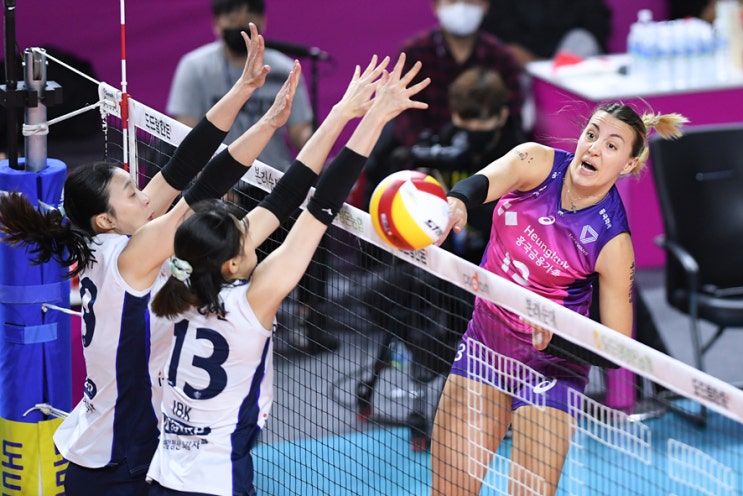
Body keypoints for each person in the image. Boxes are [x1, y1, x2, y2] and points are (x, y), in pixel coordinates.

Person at [0, 24, 301, 495]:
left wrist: (244, 90)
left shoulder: (106, 239)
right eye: (131, 192)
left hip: (108, 447)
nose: (144, 195)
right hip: (118, 459)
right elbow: (203, 184)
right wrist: (266, 125)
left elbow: (181, 166)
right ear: (106, 219)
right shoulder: (132, 254)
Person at [145, 53, 429, 496]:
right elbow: (320, 207)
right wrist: (373, 118)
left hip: (163, 474)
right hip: (215, 484)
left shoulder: (168, 283)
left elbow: (284, 197)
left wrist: (341, 113)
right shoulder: (253, 304)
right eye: (246, 236)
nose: (254, 234)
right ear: (231, 264)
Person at [430, 102, 687, 495]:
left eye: (612, 145)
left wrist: (557, 340)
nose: (594, 148)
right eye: (592, 134)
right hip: (485, 346)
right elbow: (480, 183)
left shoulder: (613, 244)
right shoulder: (536, 162)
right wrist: (457, 202)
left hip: (552, 369)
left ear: (629, 165)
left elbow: (618, 348)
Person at [167, 0, 313, 172]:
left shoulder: (285, 70)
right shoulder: (195, 68)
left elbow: (299, 131)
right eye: (232, 19)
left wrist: (316, 137)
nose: (241, 25)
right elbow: (186, 133)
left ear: (263, 21)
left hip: (271, 177)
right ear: (217, 23)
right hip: (214, 178)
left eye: (249, 19)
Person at [389, 0, 524, 150]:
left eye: (470, 1)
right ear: (436, 6)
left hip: (489, 154)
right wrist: (428, 149)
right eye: (452, 1)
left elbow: (513, 120)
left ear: (485, 6)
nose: (461, 8)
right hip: (425, 153)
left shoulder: (502, 57)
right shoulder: (415, 53)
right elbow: (402, 115)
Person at [480, 0, 612, 68]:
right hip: (519, 68)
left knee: (581, 40)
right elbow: (492, 29)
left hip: (565, 68)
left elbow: (597, 26)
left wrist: (541, 63)